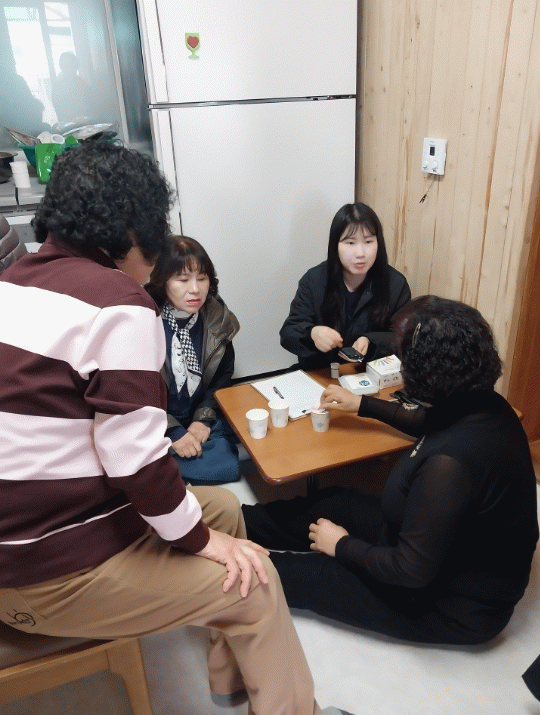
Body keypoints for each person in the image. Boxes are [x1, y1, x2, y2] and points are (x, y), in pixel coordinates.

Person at [0, 141, 354, 715]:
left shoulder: (16, 279)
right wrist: (197, 541)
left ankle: (230, 682)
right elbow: (134, 459)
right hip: (45, 569)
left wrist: (200, 528)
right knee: (256, 579)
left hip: (37, 532)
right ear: (133, 227)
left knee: (225, 510)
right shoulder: (118, 301)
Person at [243, 296, 539, 645]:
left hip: (452, 603)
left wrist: (341, 546)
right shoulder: (483, 402)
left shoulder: (449, 466)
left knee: (313, 574)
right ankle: (234, 521)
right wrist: (362, 404)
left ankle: (223, 566)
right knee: (333, 502)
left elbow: (409, 570)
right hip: (432, 543)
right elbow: (427, 420)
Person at [145, 236, 241, 484]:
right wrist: (174, 432)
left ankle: (176, 466)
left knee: (248, 432)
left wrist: (203, 419)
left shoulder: (216, 316)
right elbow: (138, 391)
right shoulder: (143, 319)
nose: (195, 289)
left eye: (202, 278)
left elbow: (222, 377)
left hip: (201, 416)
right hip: (159, 422)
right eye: (183, 279)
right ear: (162, 281)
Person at [280, 202, 411, 370]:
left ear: (378, 243)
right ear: (335, 245)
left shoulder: (396, 284)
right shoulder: (314, 280)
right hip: (320, 374)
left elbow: (404, 338)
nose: (360, 253)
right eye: (350, 243)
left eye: (368, 241)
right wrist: (312, 334)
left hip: (367, 375)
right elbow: (288, 333)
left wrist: (371, 341)